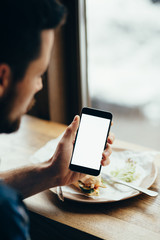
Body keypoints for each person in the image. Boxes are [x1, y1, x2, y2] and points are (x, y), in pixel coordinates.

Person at [0, 0, 115, 239]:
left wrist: (52, 172)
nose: (40, 86)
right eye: (39, 74)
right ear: (2, 78)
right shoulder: (6, 215)